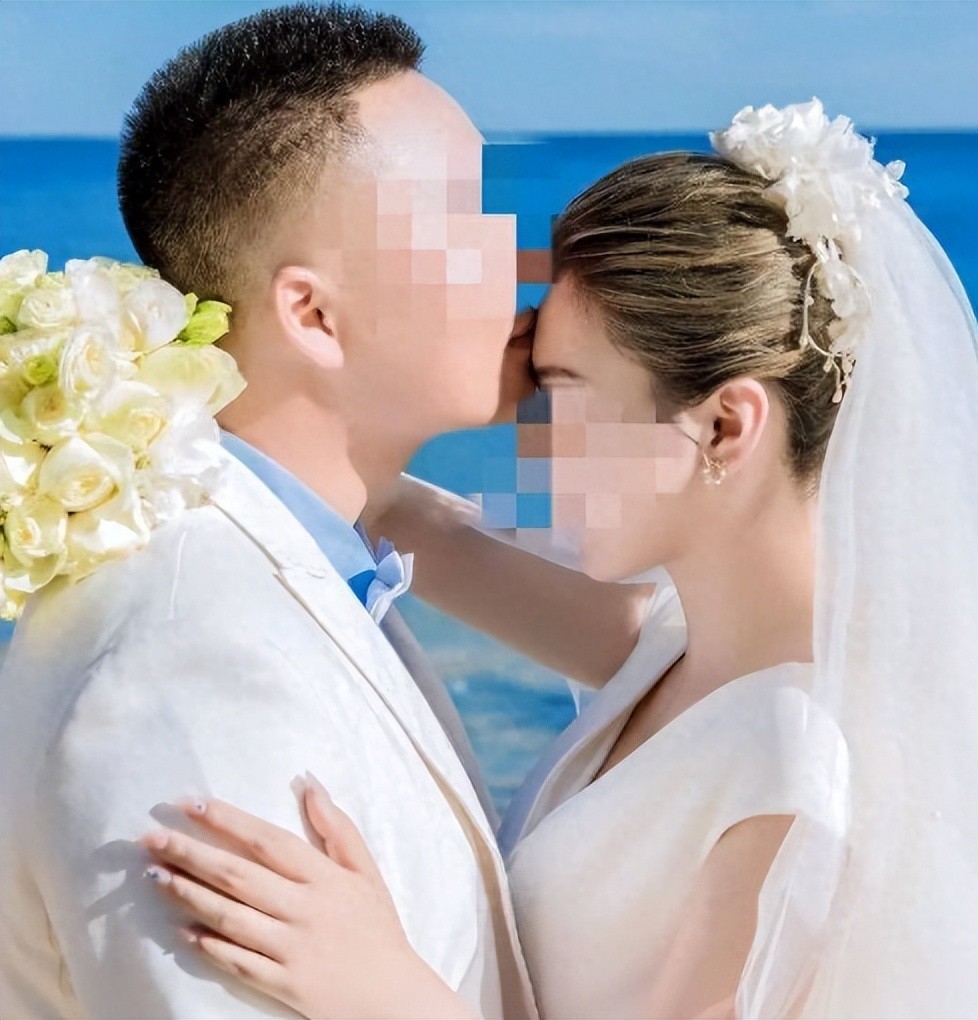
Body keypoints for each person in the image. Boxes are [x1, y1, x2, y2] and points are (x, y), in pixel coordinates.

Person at [138, 101, 978, 1018]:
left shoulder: (802, 770)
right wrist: (133, 399)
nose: (531, 443)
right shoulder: (676, 640)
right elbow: (383, 506)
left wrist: (382, 986)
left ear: (724, 424)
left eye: (564, 396)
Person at [0, 3, 624, 1016]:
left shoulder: (305, 559)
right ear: (313, 314)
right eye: (467, 221)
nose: (525, 265)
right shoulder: (196, 669)